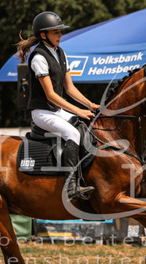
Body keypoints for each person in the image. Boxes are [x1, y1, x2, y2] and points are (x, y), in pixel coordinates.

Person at [16, 11, 100, 200]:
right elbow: (51, 95)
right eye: (56, 32)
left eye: (60, 32)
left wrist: (90, 105)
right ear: (43, 35)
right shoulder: (38, 57)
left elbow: (69, 88)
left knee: (86, 125)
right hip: (42, 113)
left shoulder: (61, 53)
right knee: (73, 134)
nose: (60, 35)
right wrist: (78, 110)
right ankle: (70, 186)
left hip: (57, 111)